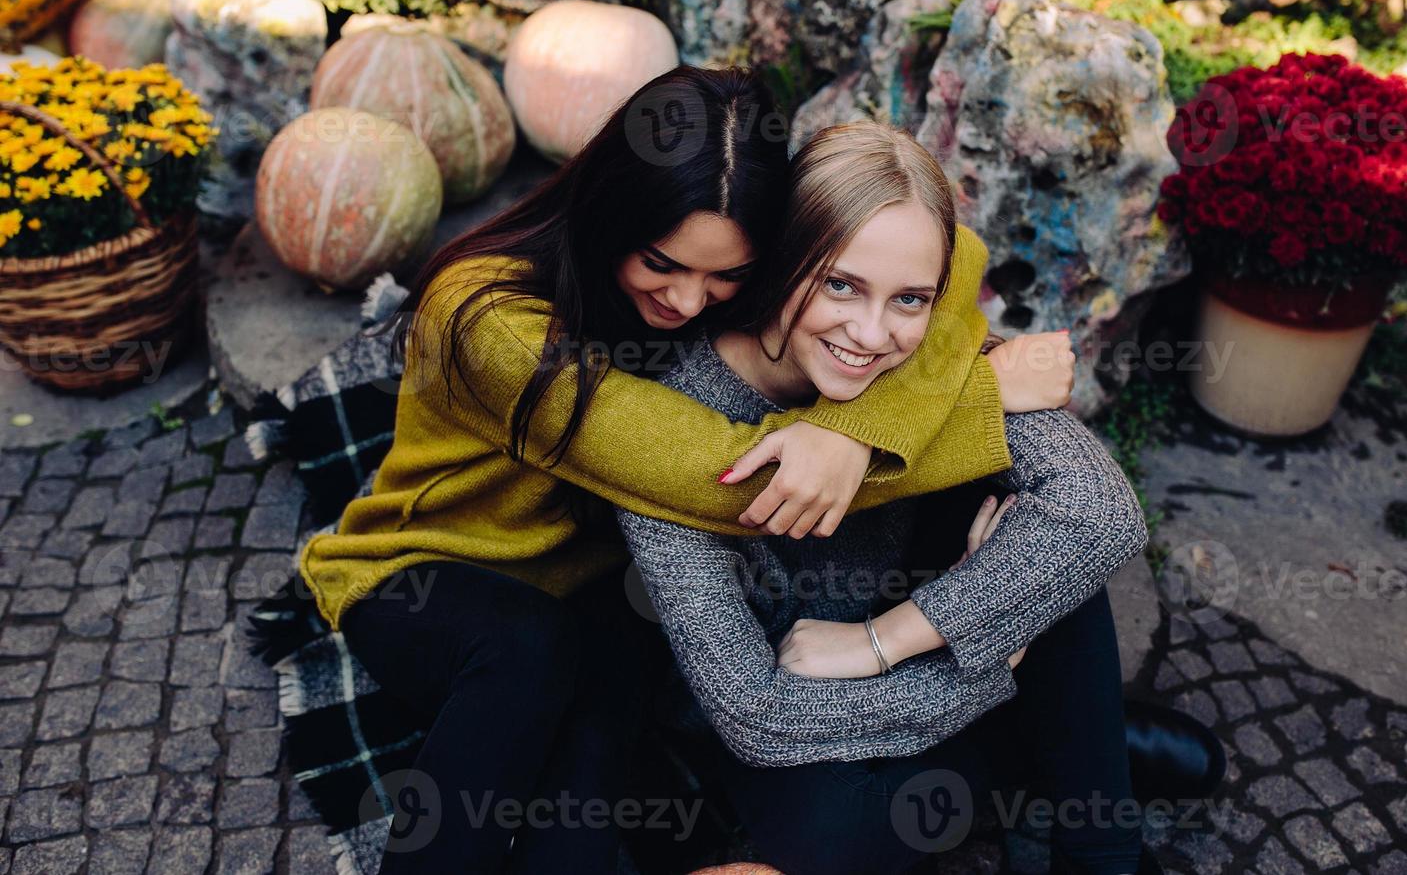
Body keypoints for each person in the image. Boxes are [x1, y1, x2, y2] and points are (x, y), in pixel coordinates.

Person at [295, 67, 1072, 873]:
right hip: (431, 573)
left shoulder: (718, 257)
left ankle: (1037, 751)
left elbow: (955, 251)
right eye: (663, 263)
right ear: (611, 212)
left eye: (725, 275)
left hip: (600, 582)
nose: (690, 301)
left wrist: (858, 425)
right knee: (529, 652)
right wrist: (968, 405)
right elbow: (710, 475)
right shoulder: (486, 319)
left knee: (598, 747)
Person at [616, 121, 1155, 875]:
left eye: (909, 298)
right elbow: (755, 716)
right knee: (830, 834)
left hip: (885, 634)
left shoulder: (926, 349)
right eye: (840, 284)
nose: (871, 334)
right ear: (779, 261)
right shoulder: (675, 430)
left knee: (1049, 555)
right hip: (787, 696)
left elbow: (1102, 513)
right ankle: (1052, 741)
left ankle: (1105, 854)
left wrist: (887, 643)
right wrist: (995, 659)